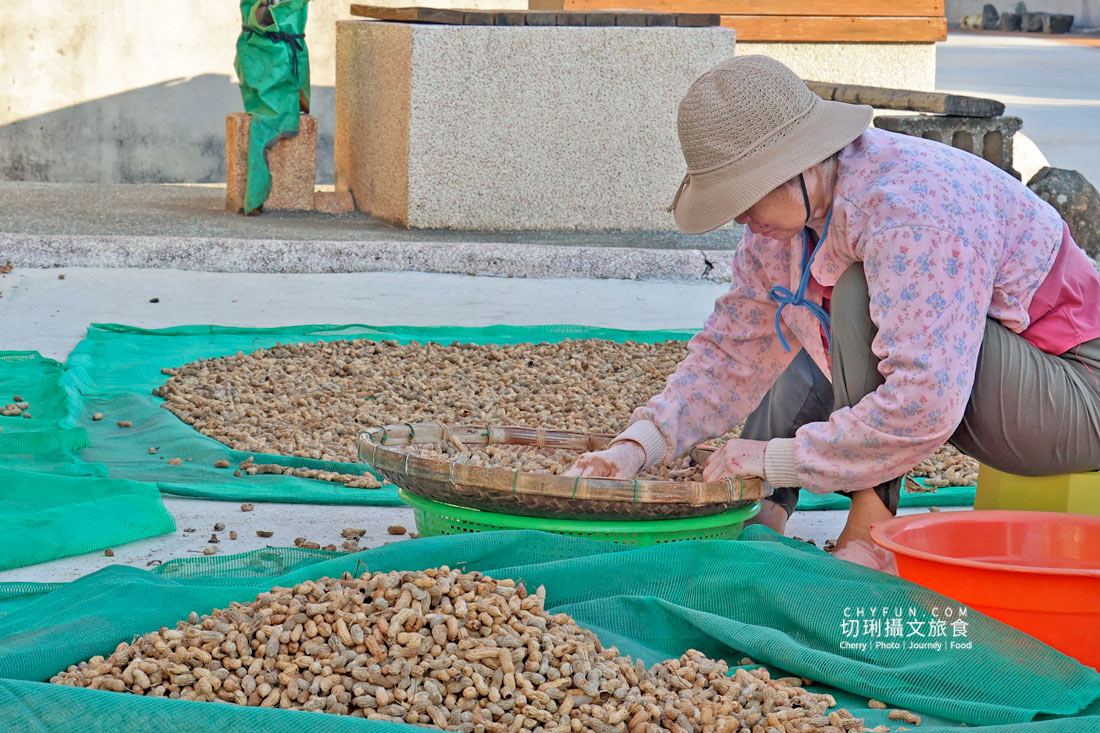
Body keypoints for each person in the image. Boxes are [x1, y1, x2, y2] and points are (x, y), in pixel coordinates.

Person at [565, 55, 1100, 572]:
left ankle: (872, 530)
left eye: (745, 196)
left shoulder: (909, 212)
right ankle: (764, 508)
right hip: (1019, 381)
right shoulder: (788, 221)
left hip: (1080, 392)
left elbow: (925, 401)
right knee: (801, 316)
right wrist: (637, 446)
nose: (740, 217)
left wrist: (777, 458)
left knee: (852, 295)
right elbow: (734, 352)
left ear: (800, 164)